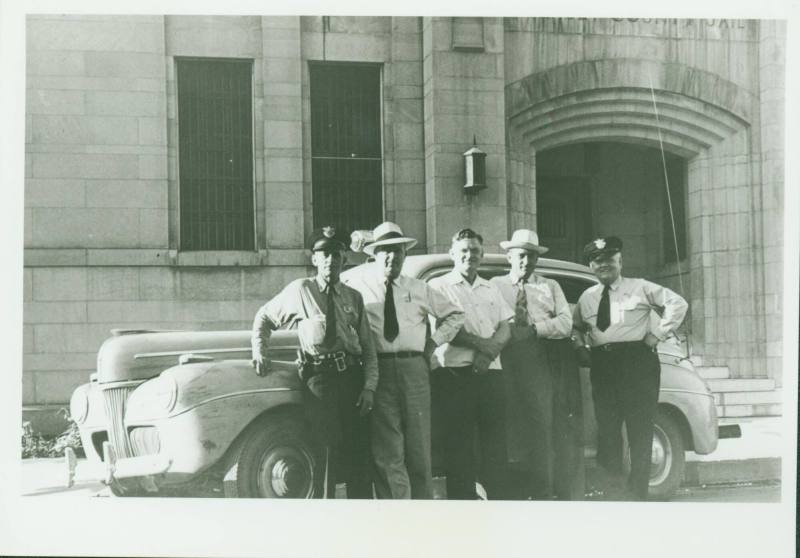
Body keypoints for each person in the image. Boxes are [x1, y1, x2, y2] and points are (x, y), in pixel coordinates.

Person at [251, 226, 378, 499]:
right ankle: (325, 515)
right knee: (326, 449)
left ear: (344, 259)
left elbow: (368, 347)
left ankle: (363, 518)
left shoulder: (353, 297)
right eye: (324, 254)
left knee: (359, 451)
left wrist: (369, 386)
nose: (331, 260)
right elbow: (264, 318)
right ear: (315, 259)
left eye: (336, 254)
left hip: (352, 378)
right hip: (320, 379)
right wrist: (260, 351)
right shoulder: (301, 290)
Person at [343, 221, 465, 499]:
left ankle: (421, 509)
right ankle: (396, 512)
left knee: (419, 445)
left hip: (415, 369)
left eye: (397, 251)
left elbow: (455, 314)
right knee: (388, 448)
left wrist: (433, 342)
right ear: (374, 254)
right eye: (385, 251)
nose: (391, 257)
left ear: (404, 255)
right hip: (380, 370)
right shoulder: (360, 288)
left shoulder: (419, 288)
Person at [572, 236, 688, 500]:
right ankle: (613, 493)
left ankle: (638, 494)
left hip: (637, 362)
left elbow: (678, 304)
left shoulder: (640, 288)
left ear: (620, 261)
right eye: (598, 262)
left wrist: (657, 334)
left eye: (609, 260)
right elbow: (577, 326)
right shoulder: (587, 297)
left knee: (640, 431)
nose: (604, 266)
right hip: (603, 365)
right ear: (591, 266)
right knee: (608, 431)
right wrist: (579, 346)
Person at [491, 229, 583, 500]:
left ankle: (542, 488)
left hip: (540, 356)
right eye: (520, 255)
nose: (526, 262)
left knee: (540, 423)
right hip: (504, 355)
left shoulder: (549, 286)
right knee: (506, 421)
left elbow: (566, 324)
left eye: (531, 256)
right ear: (509, 256)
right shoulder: (494, 285)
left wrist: (536, 329)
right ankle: (508, 489)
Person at [428, 228, 513, 500]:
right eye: (463, 251)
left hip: (491, 373)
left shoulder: (490, 287)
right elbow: (444, 326)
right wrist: (482, 346)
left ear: (482, 254)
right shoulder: (438, 286)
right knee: (460, 445)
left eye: (475, 251)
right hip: (454, 374)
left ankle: (496, 501)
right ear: (453, 254)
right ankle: (462, 507)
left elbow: (506, 327)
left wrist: (488, 354)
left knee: (495, 444)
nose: (469, 256)